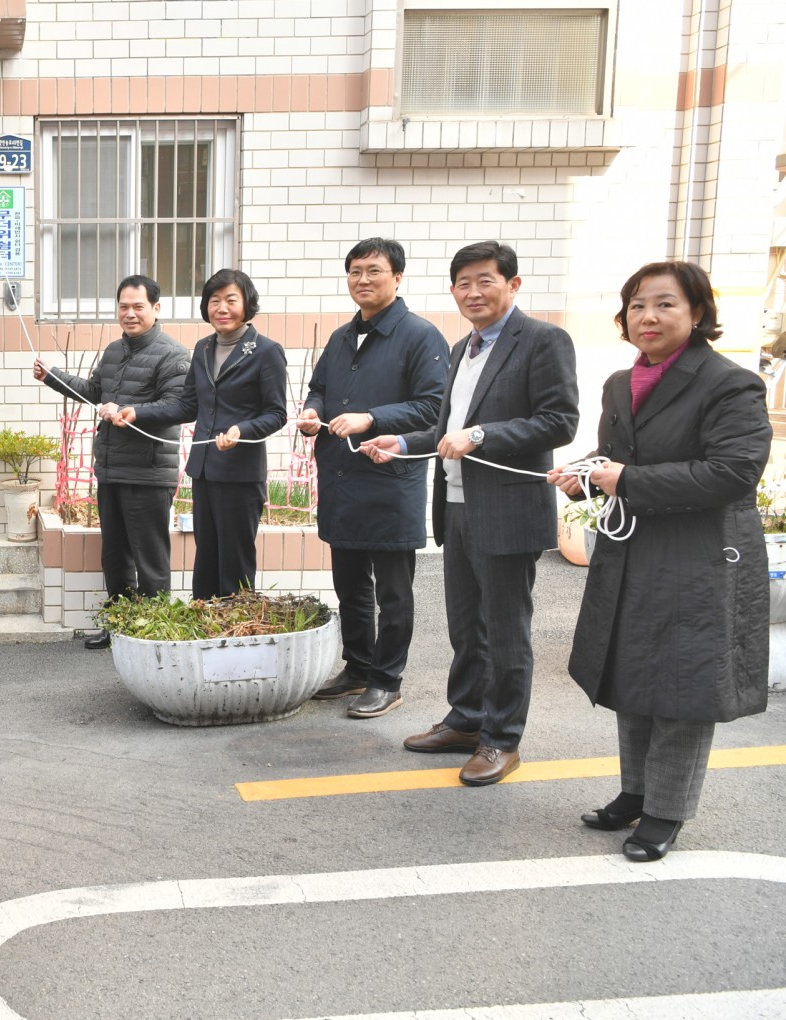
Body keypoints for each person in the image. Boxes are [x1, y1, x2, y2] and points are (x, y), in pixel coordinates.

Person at [548, 261, 769, 861]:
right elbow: (617, 456)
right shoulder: (621, 383)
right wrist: (585, 474)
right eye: (637, 305)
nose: (648, 316)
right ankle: (636, 791)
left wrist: (624, 479)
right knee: (633, 675)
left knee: (682, 688)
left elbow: (732, 473)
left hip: (700, 559)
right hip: (634, 552)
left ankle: (666, 810)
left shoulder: (731, 384)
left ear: (697, 314)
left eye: (666, 304)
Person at [362, 241, 578, 786]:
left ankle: (502, 739)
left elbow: (559, 421)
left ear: (513, 284)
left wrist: (482, 436)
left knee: (506, 632)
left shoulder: (543, 340)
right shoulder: (463, 348)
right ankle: (466, 720)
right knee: (466, 627)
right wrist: (401, 443)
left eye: (485, 280)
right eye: (463, 283)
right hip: (457, 506)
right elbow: (446, 431)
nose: (473, 292)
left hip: (508, 509)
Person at [300, 238, 448, 719]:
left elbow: (434, 407)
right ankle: (359, 667)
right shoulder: (342, 336)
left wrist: (372, 417)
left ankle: (387, 680)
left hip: (390, 481)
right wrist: (313, 412)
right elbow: (319, 388)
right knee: (350, 586)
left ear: (398, 278)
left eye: (374, 271)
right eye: (355, 271)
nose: (363, 279)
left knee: (393, 592)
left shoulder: (421, 336)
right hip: (343, 479)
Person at [33, 274, 190, 649]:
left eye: (138, 307)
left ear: (156, 308)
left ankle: (154, 634)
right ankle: (119, 626)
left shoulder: (174, 354)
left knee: (150, 558)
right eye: (123, 307)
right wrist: (52, 376)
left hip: (149, 473)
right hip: (111, 469)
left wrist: (131, 412)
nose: (130, 314)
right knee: (115, 556)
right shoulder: (114, 350)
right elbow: (93, 391)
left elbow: (176, 407)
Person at [117, 269, 288, 599]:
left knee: (234, 563)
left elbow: (276, 414)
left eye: (231, 300)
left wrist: (241, 430)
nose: (221, 308)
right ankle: (205, 623)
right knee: (206, 559)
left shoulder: (267, 351)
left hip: (240, 475)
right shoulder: (204, 347)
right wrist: (138, 412)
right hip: (204, 471)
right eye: (214, 300)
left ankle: (236, 626)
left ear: (248, 304)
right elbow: (187, 407)